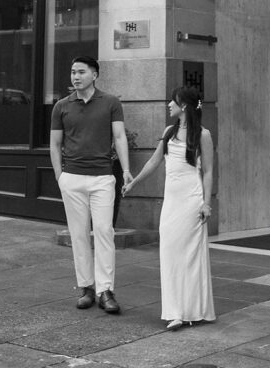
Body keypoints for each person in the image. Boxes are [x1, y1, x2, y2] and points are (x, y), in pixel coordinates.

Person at [123, 86, 215, 330]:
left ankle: (189, 311)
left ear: (184, 106)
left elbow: (208, 171)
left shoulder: (203, 135)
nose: (168, 105)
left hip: (192, 199)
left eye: (173, 102)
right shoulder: (169, 131)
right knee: (170, 254)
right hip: (172, 203)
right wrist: (133, 183)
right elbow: (154, 162)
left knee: (190, 256)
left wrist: (207, 203)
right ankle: (174, 311)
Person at [50, 55, 133, 314]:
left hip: (102, 177)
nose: (75, 76)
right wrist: (59, 176)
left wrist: (127, 170)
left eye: (81, 72)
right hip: (72, 178)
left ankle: (105, 290)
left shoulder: (110, 102)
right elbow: (54, 144)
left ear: (94, 74)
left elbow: (119, 136)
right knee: (78, 234)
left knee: (104, 231)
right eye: (73, 72)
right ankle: (86, 287)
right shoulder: (62, 106)